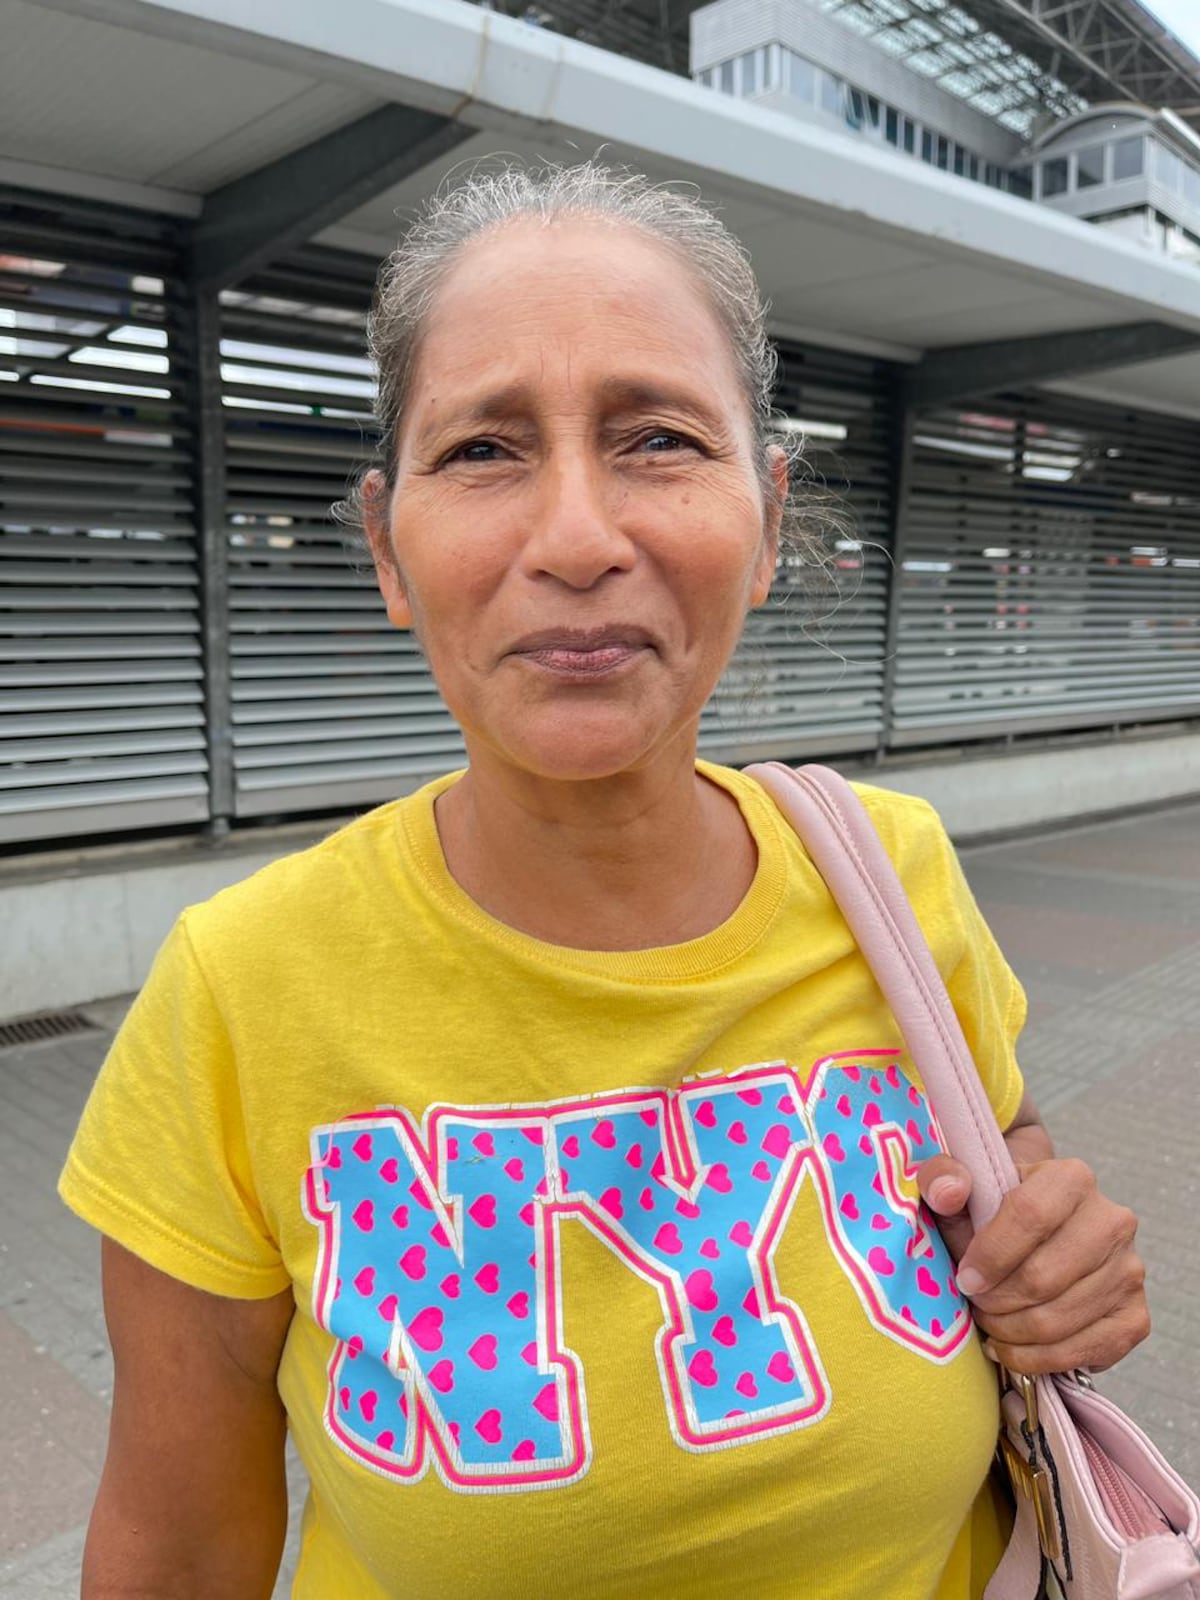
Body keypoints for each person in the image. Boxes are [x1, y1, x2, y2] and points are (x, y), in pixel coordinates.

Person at [60, 163, 1148, 1600]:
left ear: (765, 519)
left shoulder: (892, 871)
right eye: (484, 452)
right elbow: (182, 1546)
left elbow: (1008, 1171)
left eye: (657, 438)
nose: (577, 540)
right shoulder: (241, 988)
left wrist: (1055, 1259)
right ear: (390, 548)